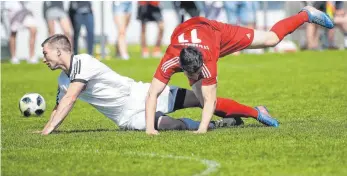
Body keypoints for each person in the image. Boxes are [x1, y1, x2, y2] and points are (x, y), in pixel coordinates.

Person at [145, 6, 334, 135]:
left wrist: (202, 130)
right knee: (206, 103)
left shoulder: (207, 61)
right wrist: (149, 129)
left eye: (198, 73)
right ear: (181, 67)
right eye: (193, 74)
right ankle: (257, 112)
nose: (197, 77)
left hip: (216, 33)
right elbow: (152, 93)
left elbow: (211, 98)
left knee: (271, 39)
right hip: (187, 33)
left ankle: (305, 14)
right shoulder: (170, 59)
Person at [37, 34, 252, 135]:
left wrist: (48, 131)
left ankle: (251, 112)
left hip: (139, 93)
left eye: (46, 53)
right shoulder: (63, 80)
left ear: (59, 51)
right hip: (127, 117)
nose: (44, 59)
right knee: (173, 126)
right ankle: (216, 125)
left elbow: (70, 98)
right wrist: (46, 127)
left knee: (199, 99)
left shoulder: (84, 62)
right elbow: (59, 105)